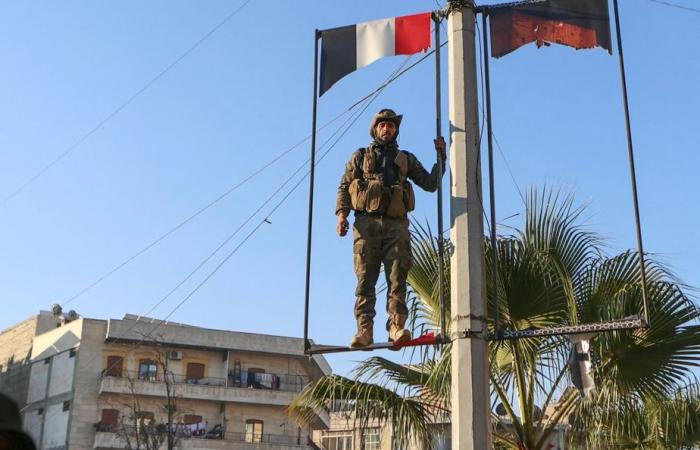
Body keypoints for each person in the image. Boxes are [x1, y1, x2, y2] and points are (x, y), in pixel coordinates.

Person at [336, 109, 446, 348]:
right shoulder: (360, 156)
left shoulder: (404, 158)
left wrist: (441, 158)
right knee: (366, 279)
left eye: (391, 126)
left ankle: (396, 326)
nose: (387, 129)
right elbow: (344, 187)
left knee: (398, 278)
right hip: (366, 224)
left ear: (396, 131)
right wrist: (342, 216)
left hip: (396, 225)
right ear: (375, 129)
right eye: (382, 125)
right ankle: (364, 330)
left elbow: (430, 184)